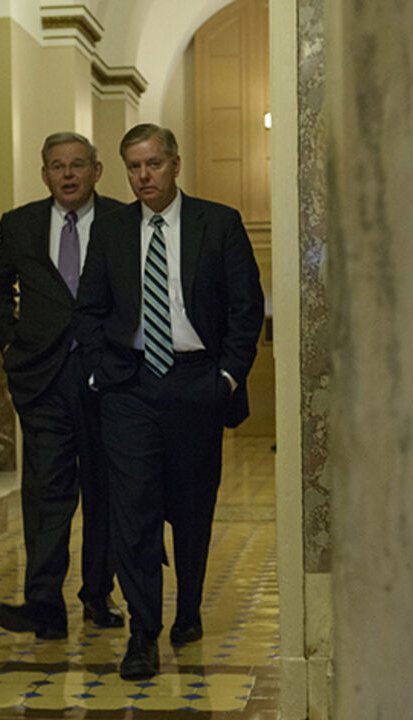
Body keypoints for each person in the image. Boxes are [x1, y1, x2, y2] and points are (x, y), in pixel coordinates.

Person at [74, 123, 264, 679]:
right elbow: (87, 311)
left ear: (175, 164)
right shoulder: (110, 231)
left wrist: (225, 378)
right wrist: (100, 374)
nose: (143, 177)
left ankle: (188, 610)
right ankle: (142, 634)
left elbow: (245, 308)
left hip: (196, 383)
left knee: (190, 508)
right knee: (131, 512)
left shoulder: (218, 223)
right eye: (133, 167)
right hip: (129, 387)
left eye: (153, 164)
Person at [0, 131, 126, 639]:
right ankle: (44, 603)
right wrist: (10, 346)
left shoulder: (120, 221)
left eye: (77, 165)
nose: (67, 174)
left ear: (97, 170)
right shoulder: (19, 224)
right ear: (44, 173)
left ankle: (97, 595)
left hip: (104, 379)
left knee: (104, 490)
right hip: (42, 379)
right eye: (57, 166)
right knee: (46, 493)